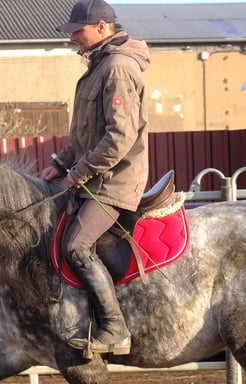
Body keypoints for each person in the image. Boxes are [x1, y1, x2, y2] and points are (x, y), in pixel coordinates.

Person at [41, 0, 150, 356]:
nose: (72, 38)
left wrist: (79, 172)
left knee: (76, 245)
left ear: (102, 28)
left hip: (114, 183)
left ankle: (116, 330)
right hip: (96, 178)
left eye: (78, 31)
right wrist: (62, 162)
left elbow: (118, 138)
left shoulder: (117, 68)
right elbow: (88, 134)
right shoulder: (98, 67)